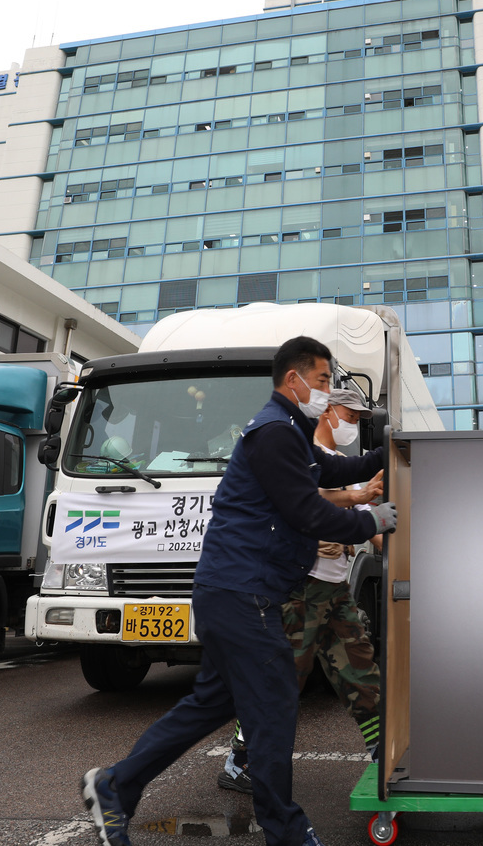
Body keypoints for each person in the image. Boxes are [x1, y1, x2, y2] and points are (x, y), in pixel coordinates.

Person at [80, 337, 399, 846]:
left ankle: (115, 786)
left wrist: (394, 452)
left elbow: (337, 470)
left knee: (207, 706)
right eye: (320, 382)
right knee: (274, 708)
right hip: (244, 595)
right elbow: (306, 511)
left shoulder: (290, 434)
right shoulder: (274, 434)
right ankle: (287, 832)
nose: (325, 392)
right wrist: (368, 518)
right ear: (292, 380)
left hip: (233, 594)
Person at [219, 386, 385, 794]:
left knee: (361, 672)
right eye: (350, 415)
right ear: (327, 411)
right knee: (279, 682)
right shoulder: (299, 451)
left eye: (360, 420)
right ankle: (240, 761)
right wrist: (356, 496)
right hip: (298, 588)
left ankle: (386, 754)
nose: (354, 424)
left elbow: (372, 528)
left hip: (334, 589)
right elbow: (302, 502)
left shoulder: (344, 464)